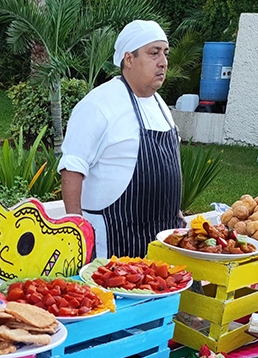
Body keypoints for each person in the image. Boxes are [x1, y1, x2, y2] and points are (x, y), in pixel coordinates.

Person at [59, 20, 182, 260]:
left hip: (161, 237)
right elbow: (72, 168)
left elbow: (169, 165)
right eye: (153, 53)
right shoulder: (98, 105)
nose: (163, 62)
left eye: (165, 53)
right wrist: (76, 231)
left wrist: (175, 212)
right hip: (114, 237)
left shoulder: (160, 106)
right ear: (129, 59)